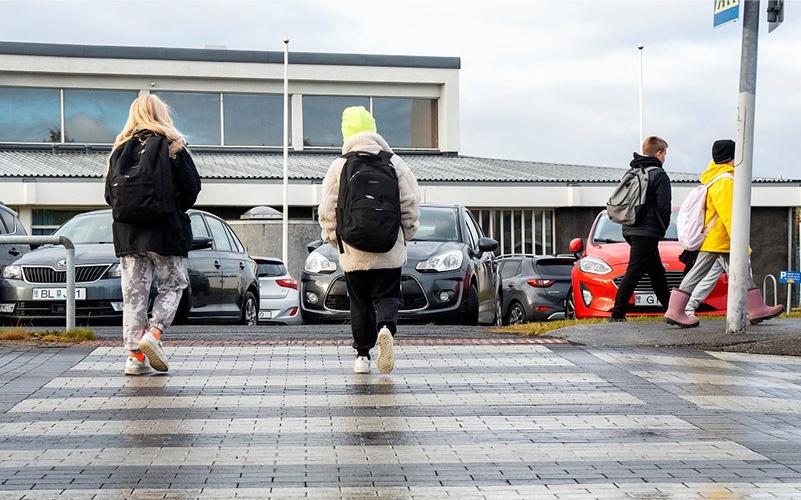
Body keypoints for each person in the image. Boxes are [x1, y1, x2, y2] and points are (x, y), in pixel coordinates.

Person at [318, 106, 420, 374]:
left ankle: (362, 356)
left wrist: (334, 238)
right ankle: (386, 328)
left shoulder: (340, 165)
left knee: (359, 301)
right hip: (389, 246)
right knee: (387, 295)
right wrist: (405, 234)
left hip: (354, 249)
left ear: (346, 133)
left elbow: (328, 207)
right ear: (374, 129)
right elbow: (410, 202)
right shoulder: (394, 162)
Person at [105, 95, 201, 375]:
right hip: (166, 232)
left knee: (134, 294)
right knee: (173, 285)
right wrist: (170, 207)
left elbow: (110, 195)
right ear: (162, 115)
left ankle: (135, 358)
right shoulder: (174, 146)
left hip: (129, 235)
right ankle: (154, 334)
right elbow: (192, 189)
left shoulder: (119, 150)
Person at [665, 139, 783, 327]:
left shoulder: (717, 178)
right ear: (731, 157)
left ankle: (757, 308)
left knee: (740, 272)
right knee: (697, 274)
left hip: (720, 240)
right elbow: (730, 215)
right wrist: (742, 242)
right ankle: (675, 310)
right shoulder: (725, 182)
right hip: (720, 239)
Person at [610, 136, 672, 321]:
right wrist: (662, 228)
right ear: (659, 153)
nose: (665, 158)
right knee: (634, 272)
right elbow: (664, 206)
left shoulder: (633, 171)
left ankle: (671, 310)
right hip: (647, 232)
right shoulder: (659, 174)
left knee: (656, 272)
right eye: (665, 154)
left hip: (630, 228)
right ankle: (617, 314)